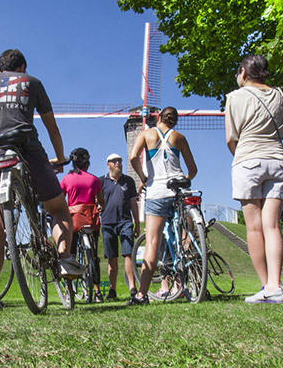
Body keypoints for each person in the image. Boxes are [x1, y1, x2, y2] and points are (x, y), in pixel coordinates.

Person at [0, 49, 85, 313]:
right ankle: (65, 258)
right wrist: (59, 157)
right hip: (26, 147)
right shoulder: (32, 82)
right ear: (21, 67)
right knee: (57, 208)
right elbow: (51, 126)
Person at [225, 54, 283, 304]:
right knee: (271, 225)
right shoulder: (279, 94)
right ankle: (275, 284)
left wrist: (241, 157)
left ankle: (266, 286)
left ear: (243, 72)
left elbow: (231, 138)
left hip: (248, 160)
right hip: (277, 160)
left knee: (254, 227)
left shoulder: (234, 97)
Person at [129, 107, 197, 305]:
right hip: (179, 191)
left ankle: (142, 294)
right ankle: (192, 283)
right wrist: (184, 179)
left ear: (158, 117)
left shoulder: (146, 134)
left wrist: (143, 178)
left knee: (152, 242)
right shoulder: (180, 137)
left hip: (157, 190)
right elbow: (193, 170)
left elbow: (133, 157)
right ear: (175, 121)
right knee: (186, 236)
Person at [60, 147, 105, 302]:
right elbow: (101, 201)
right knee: (93, 255)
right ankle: (98, 292)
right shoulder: (94, 180)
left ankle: (68, 290)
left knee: (70, 254)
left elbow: (60, 200)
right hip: (90, 219)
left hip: (73, 219)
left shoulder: (67, 179)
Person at [99, 153, 140, 300]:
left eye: (120, 161)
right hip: (108, 222)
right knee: (112, 257)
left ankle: (133, 288)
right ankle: (112, 289)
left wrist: (137, 222)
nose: (118, 163)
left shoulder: (128, 181)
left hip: (125, 222)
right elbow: (97, 201)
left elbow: (133, 203)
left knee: (129, 255)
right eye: (114, 161)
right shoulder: (101, 181)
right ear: (108, 164)